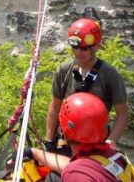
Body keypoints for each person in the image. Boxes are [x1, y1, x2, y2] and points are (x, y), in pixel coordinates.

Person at [44, 18, 128, 155]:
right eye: (75, 47)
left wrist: (111, 141)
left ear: (96, 46)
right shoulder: (64, 70)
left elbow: (122, 114)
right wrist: (48, 140)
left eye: (84, 48)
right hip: (66, 140)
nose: (78, 52)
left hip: (95, 143)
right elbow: (55, 106)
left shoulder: (109, 74)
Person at [28, 93, 134, 181]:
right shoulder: (114, 155)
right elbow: (76, 167)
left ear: (64, 132)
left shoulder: (76, 175)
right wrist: (35, 153)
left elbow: (76, 171)